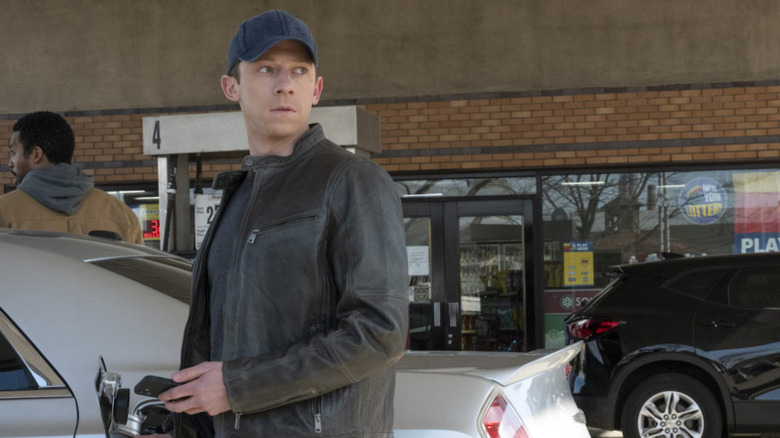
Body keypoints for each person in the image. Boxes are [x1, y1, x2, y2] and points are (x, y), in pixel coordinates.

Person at [158, 9, 409, 437]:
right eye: (266, 69)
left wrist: (239, 386)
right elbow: (217, 342)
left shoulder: (352, 181)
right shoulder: (238, 195)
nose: (285, 83)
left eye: (299, 70)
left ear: (316, 89)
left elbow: (379, 331)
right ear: (231, 86)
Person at [0, 111, 144, 244]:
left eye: (13, 152)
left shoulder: (4, 211)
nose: (10, 162)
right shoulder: (122, 214)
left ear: (36, 154)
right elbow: (138, 270)